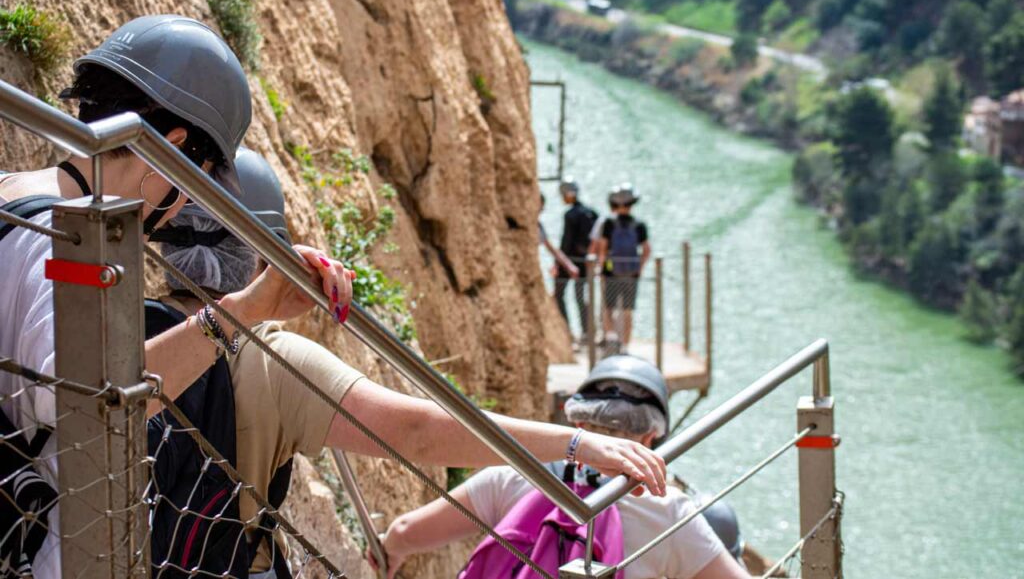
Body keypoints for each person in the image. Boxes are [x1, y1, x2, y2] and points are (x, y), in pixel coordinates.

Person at [148, 151, 670, 578]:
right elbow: (416, 432)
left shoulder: (125, 331)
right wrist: (573, 443)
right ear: (266, 255)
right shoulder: (269, 358)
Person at [0, 15, 352, 578]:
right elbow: (91, 410)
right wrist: (245, 312)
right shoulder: (70, 241)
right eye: (196, 179)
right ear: (173, 147)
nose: (183, 203)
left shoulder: (9, 194)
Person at [377, 355, 749, 579]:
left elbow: (407, 531)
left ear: (580, 425)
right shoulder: (668, 510)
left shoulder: (513, 477)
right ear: (651, 437)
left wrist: (390, 551)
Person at [596, 183, 650, 348]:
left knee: (608, 307)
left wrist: (601, 267)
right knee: (627, 310)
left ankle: (611, 337)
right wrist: (639, 269)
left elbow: (603, 248)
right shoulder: (639, 225)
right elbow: (647, 249)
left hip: (611, 272)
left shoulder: (609, 224)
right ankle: (625, 345)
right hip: (631, 274)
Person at [554, 177, 597, 338]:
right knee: (581, 297)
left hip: (569, 261)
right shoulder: (592, 213)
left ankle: (566, 331)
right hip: (586, 262)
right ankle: (587, 331)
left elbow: (566, 240)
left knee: (559, 294)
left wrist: (559, 262)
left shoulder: (570, 215)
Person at [539, 193, 579, 280]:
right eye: (540, 207)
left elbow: (550, 247)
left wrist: (569, 265)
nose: (542, 209)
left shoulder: (538, 226)